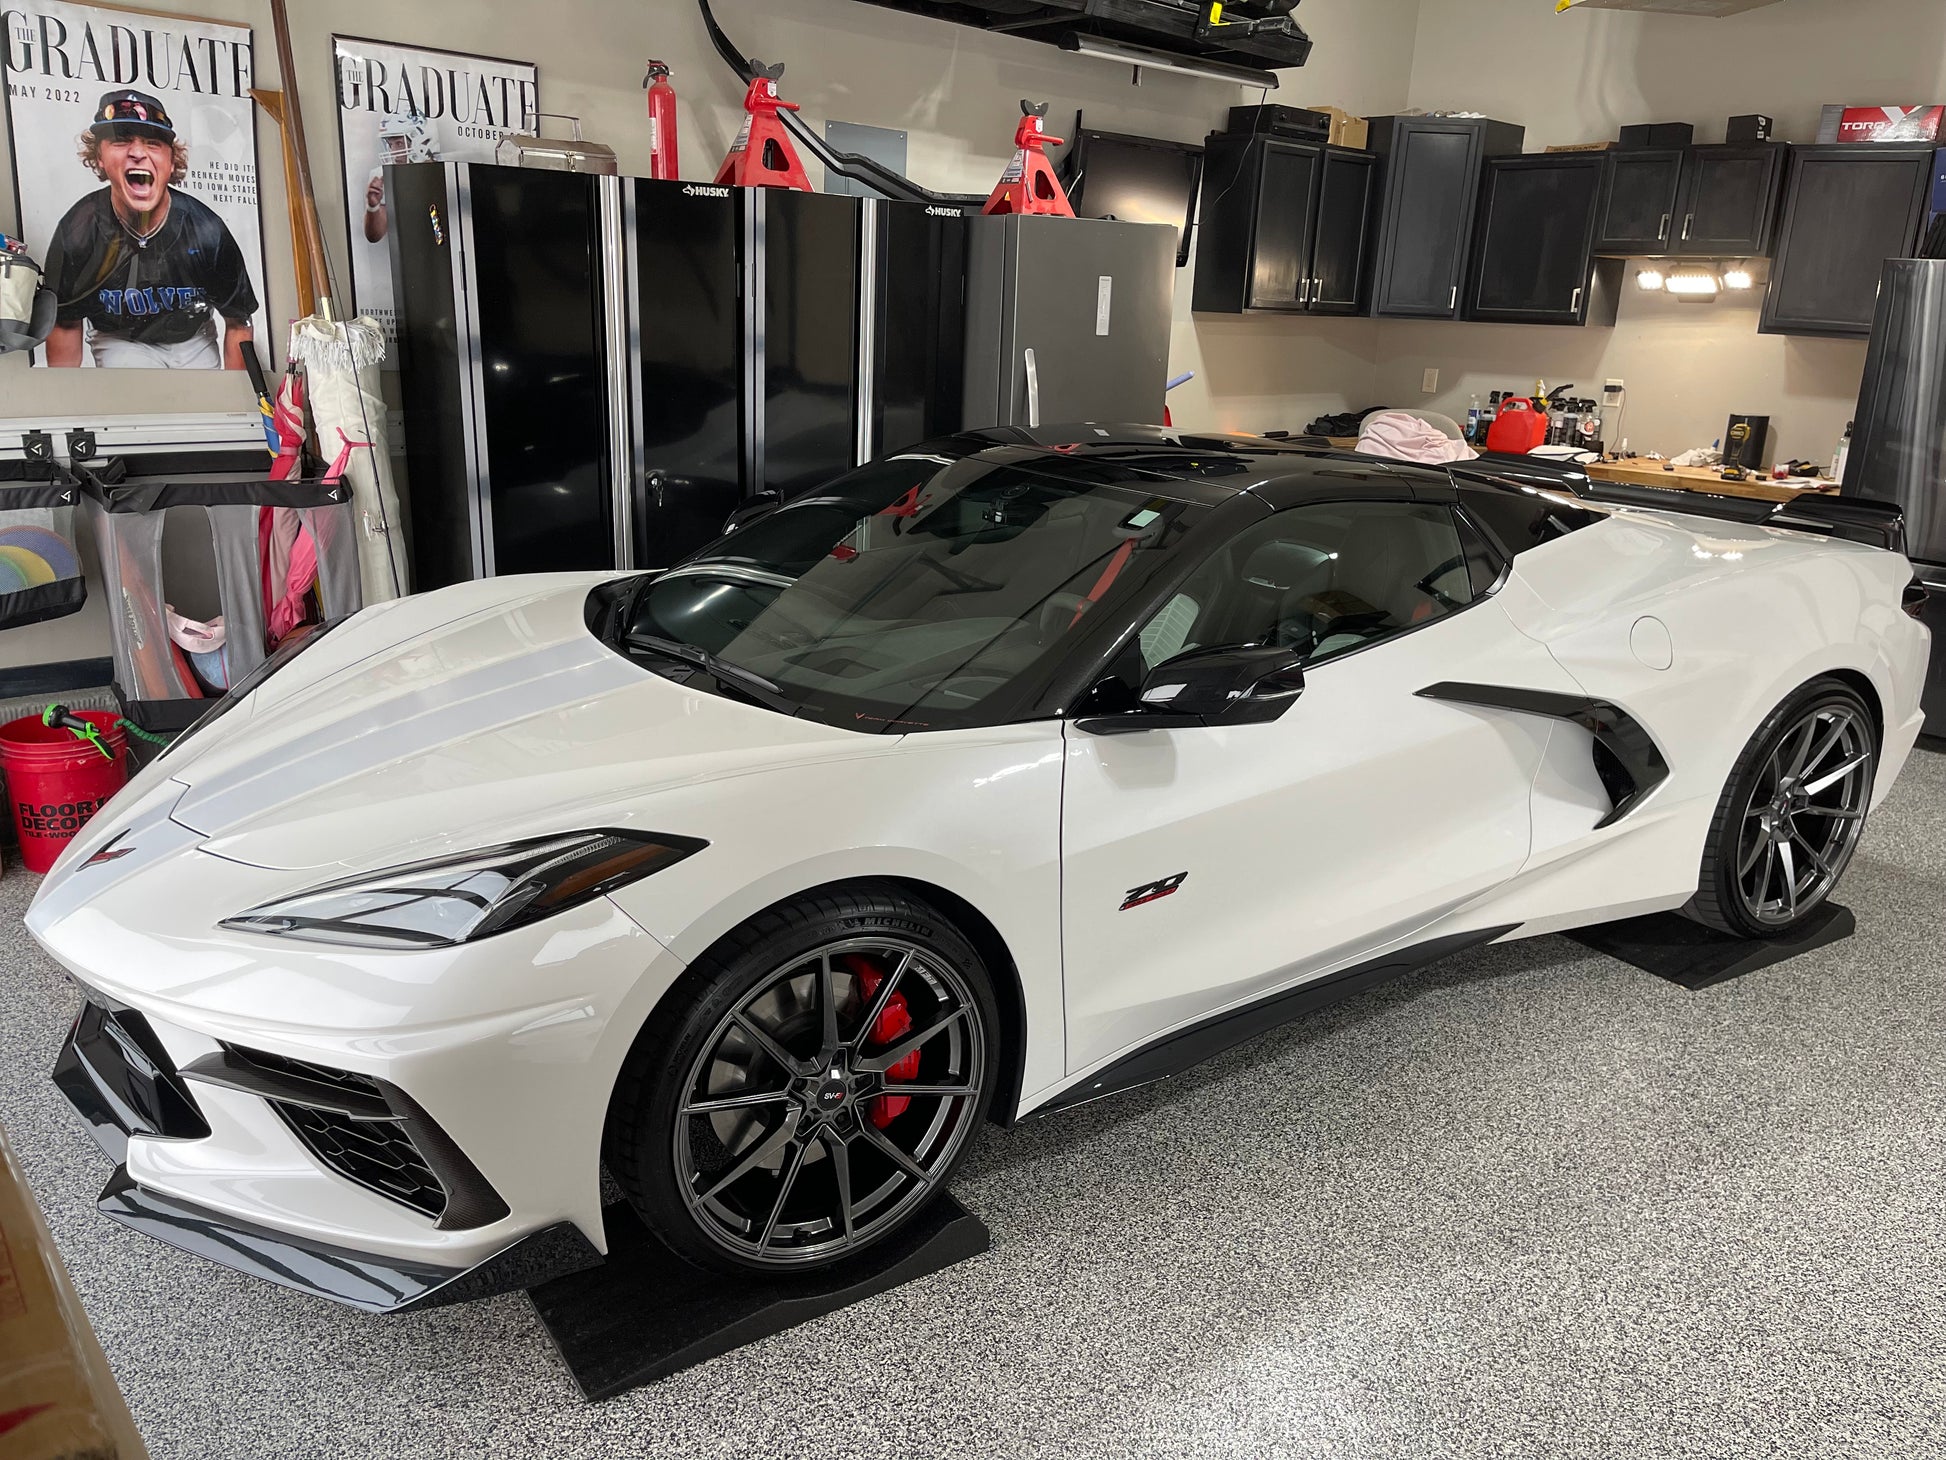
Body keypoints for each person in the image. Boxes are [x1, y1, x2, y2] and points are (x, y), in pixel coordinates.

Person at [41, 89, 258, 369]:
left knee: (202, 408)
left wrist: (236, 403)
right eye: (120, 140)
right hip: (120, 338)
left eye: (153, 142)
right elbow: (65, 323)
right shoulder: (79, 230)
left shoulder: (206, 230)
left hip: (192, 339)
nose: (138, 152)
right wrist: (66, 408)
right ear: (99, 159)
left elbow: (239, 321)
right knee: (135, 398)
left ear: (172, 162)